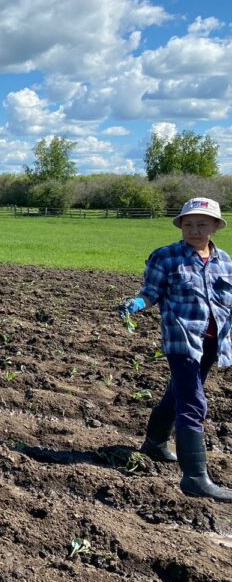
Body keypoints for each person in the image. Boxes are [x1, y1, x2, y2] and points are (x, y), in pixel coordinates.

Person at [120, 197, 232, 501]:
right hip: (182, 339)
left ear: (215, 227)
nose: (195, 230)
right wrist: (137, 304)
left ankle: (155, 443)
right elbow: (151, 292)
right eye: (189, 224)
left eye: (202, 224)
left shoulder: (225, 262)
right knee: (194, 403)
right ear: (181, 225)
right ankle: (194, 477)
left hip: (213, 342)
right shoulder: (166, 257)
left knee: (177, 394)